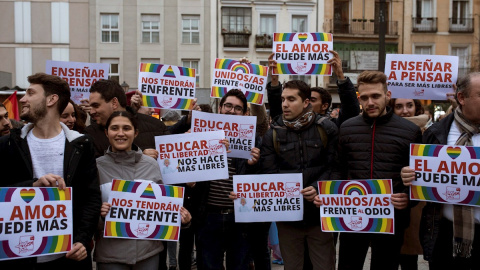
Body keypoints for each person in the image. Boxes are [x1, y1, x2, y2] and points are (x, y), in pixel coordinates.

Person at [322, 71, 422, 270]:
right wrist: (327, 195)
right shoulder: (347, 128)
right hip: (353, 216)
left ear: (387, 95)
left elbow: (419, 177)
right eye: (364, 97)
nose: (370, 102)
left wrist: (408, 199)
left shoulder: (410, 131)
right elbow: (338, 169)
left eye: (375, 96)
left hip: (391, 218)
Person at [0, 73, 101, 269]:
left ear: (51, 99)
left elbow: (91, 197)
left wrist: (82, 240)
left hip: (67, 258)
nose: (23, 99)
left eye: (30, 93)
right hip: (20, 256)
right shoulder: (8, 144)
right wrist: (32, 186)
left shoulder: (81, 145)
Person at [401, 72, 480, 270]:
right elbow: (419, 191)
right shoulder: (435, 133)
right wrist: (409, 178)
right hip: (444, 233)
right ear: (461, 98)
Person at [95, 111, 191, 270]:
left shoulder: (151, 165)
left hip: (148, 253)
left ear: (136, 132)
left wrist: (182, 220)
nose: (120, 133)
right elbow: (87, 213)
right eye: (114, 128)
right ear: (106, 133)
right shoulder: (96, 167)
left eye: (126, 128)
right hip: (110, 255)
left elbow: (163, 208)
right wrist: (100, 215)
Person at [260, 80, 338, 270]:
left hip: (320, 216)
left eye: (291, 99)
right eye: (283, 99)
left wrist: (318, 188)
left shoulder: (326, 128)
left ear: (306, 102)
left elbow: (336, 167)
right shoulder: (273, 135)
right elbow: (269, 173)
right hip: (288, 220)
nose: (285, 104)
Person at [191, 89, 262, 270]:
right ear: (220, 108)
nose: (232, 111)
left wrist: (254, 165)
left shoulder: (253, 141)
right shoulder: (202, 135)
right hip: (208, 216)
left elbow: (261, 183)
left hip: (239, 218)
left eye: (238, 108)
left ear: (245, 113)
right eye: (228, 106)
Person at [267, 51, 360, 127]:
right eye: (305, 99)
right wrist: (274, 80)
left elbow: (351, 110)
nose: (306, 103)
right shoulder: (285, 124)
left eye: (312, 100)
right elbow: (276, 109)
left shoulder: (331, 127)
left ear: (324, 106)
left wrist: (340, 76)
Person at [388, 98, 427, 270]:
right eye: (399, 106)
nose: (405, 111)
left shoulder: (429, 133)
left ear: (416, 108)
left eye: (409, 105)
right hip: (389, 197)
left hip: (414, 201)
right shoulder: (384, 129)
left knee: (409, 255)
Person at [84, 79, 169, 158]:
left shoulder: (157, 126)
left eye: (96, 106)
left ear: (114, 103)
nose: (91, 112)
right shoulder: (90, 135)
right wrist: (139, 158)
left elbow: (171, 163)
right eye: (114, 129)